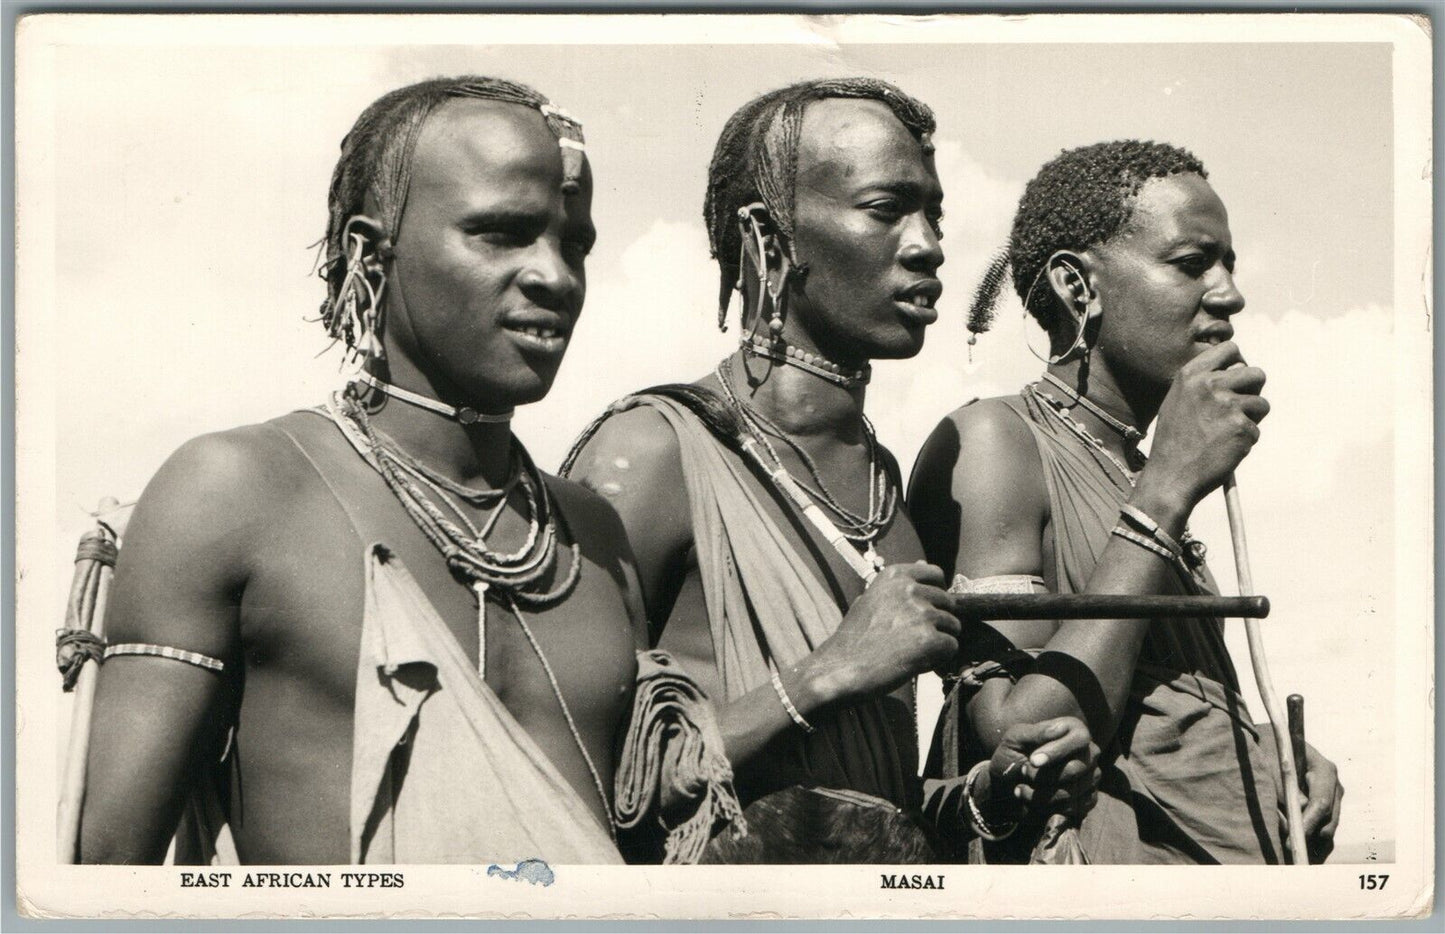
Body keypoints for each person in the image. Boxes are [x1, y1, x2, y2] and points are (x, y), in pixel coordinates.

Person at [74, 76, 736, 866]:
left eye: (575, 244)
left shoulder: (591, 537)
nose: (555, 277)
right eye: (502, 233)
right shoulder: (237, 489)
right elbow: (109, 880)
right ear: (368, 249)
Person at [564, 78, 1098, 863]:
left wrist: (986, 794)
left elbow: (869, 808)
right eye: (886, 210)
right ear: (767, 238)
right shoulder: (655, 454)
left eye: (932, 214)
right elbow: (569, 776)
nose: (926, 245)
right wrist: (825, 674)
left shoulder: (885, 489)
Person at [908, 140, 1344, 864]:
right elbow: (1025, 738)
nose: (1228, 292)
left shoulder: (1131, 468)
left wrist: (1265, 754)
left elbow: (1157, 710)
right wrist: (1165, 491)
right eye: (1190, 263)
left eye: (1228, 263)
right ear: (1079, 288)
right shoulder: (996, 442)